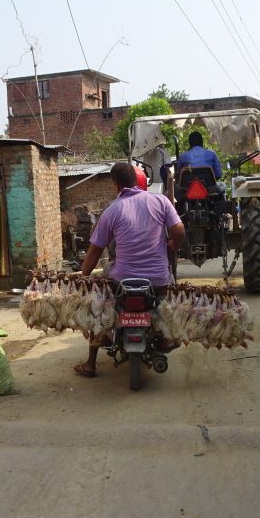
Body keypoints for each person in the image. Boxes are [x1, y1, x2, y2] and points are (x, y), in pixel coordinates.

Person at [74, 161, 186, 378]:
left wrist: (84, 277)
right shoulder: (160, 201)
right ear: (139, 182)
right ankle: (164, 336)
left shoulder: (112, 210)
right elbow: (179, 229)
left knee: (99, 304)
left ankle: (91, 362)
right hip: (157, 280)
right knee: (169, 292)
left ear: (115, 185)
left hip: (122, 281)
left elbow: (95, 250)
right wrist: (173, 244)